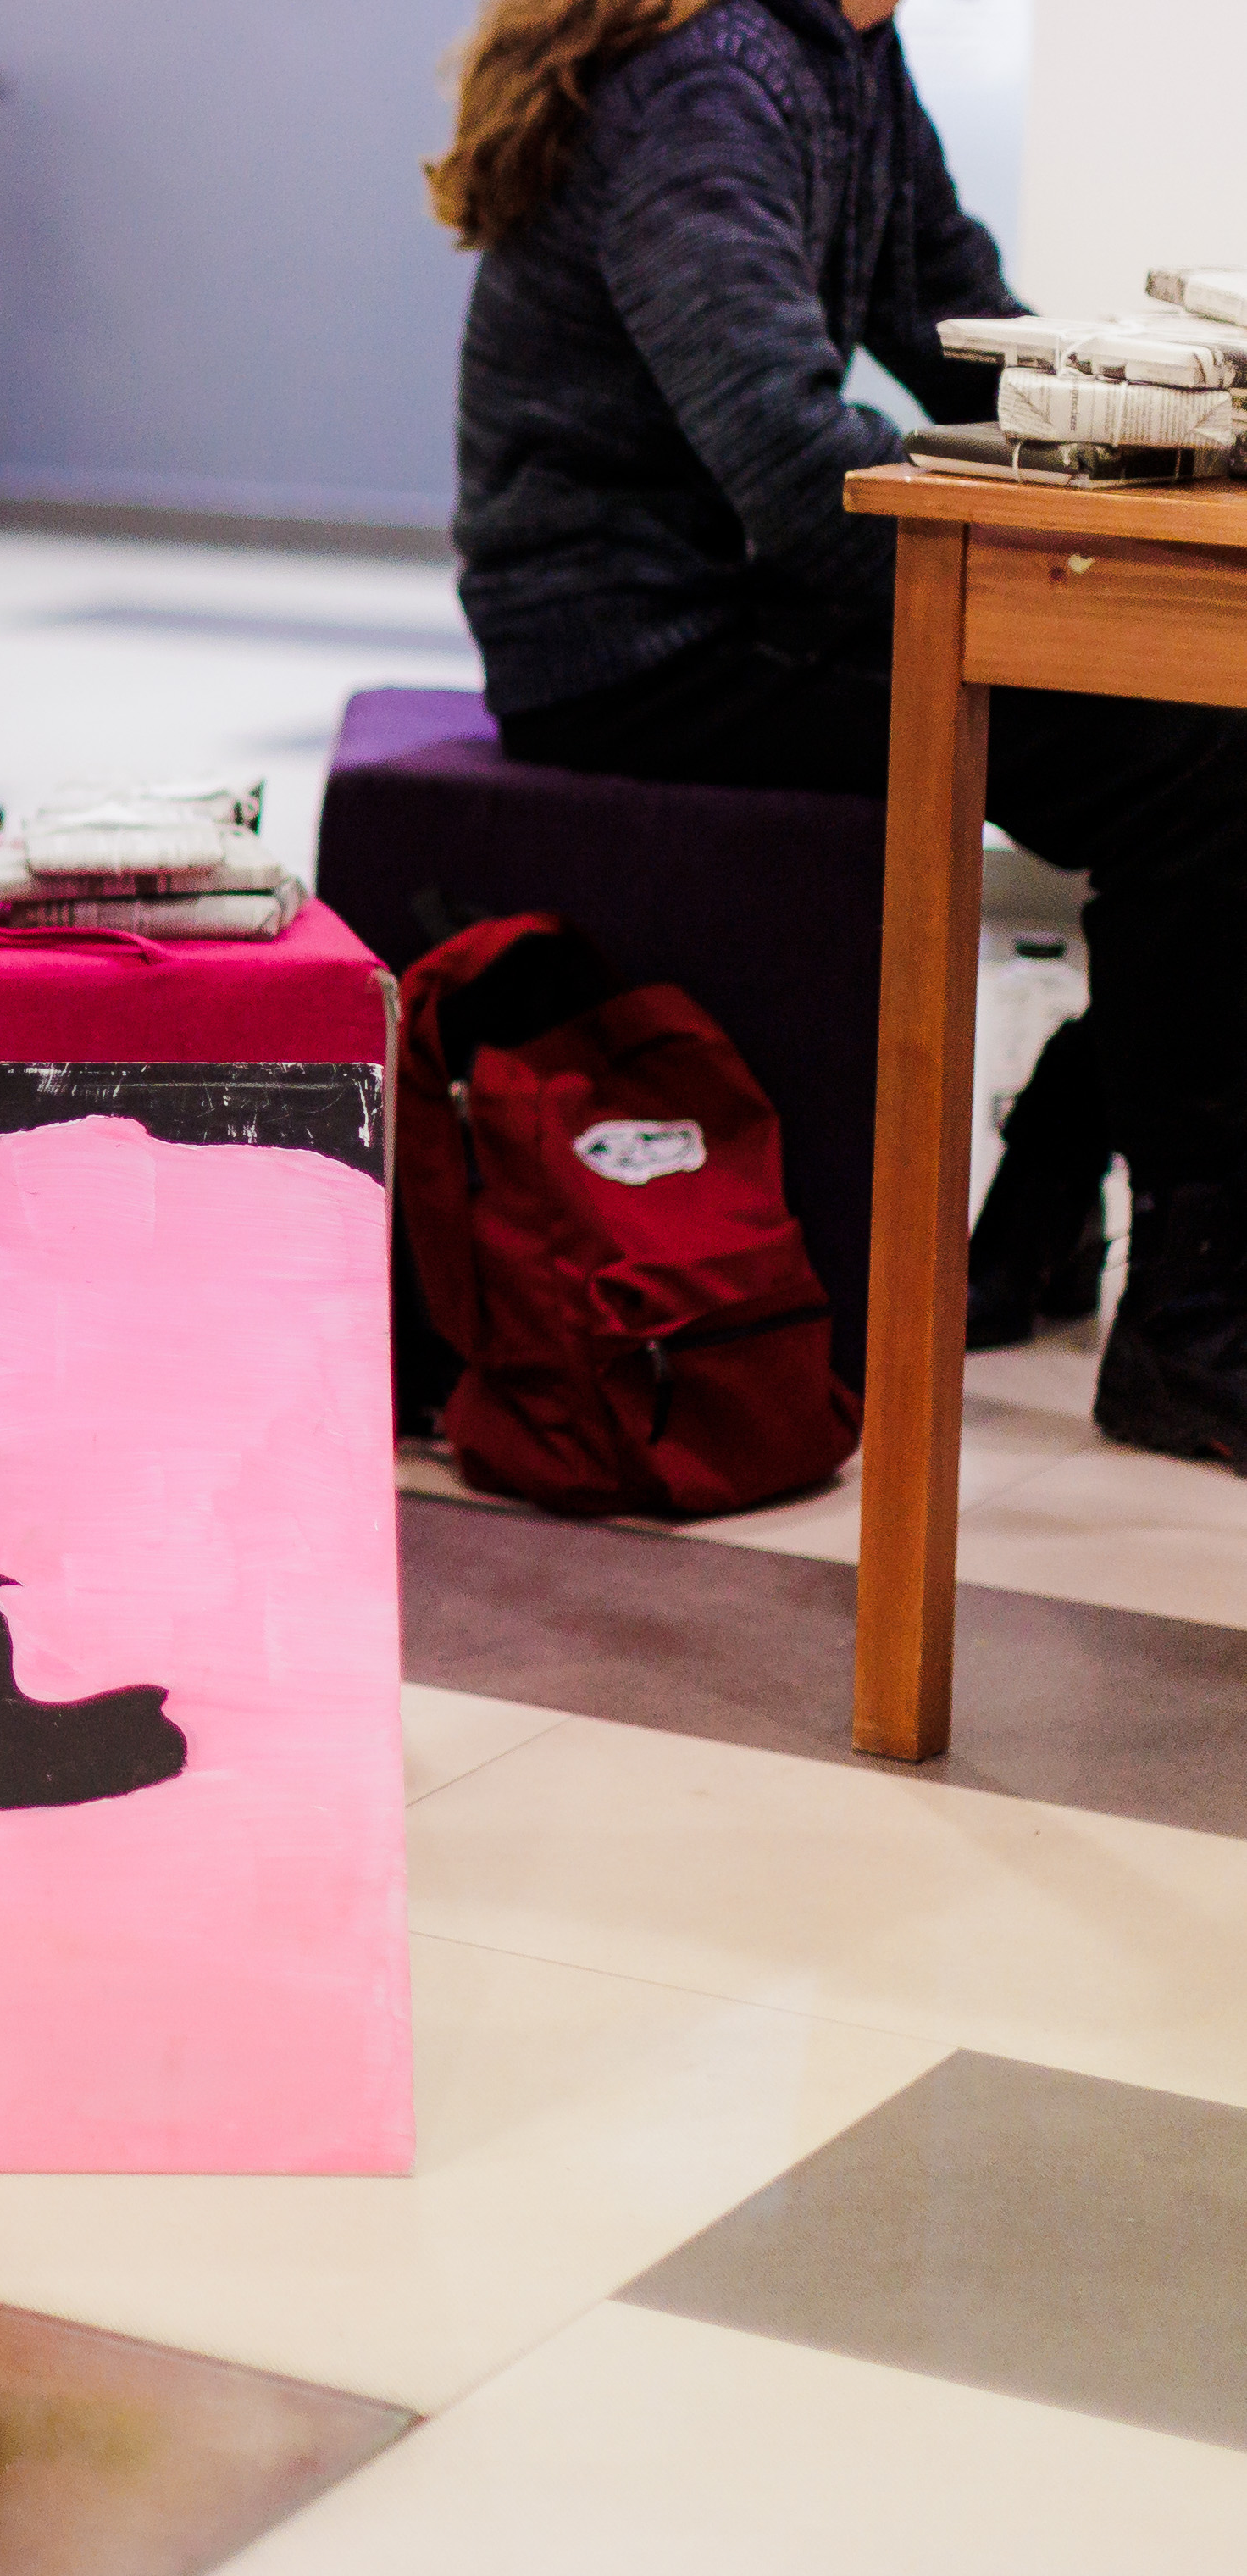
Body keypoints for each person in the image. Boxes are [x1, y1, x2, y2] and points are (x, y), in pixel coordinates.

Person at [442, 0, 1247, 1473]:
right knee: (1192, 771)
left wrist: (1163, 447)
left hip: (723, 602)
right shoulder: (713, 80)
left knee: (1204, 745)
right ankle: (1184, 1320)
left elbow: (971, 339)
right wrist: (1054, 564)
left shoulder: (845, 51)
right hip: (633, 641)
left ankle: (1042, 1222)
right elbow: (785, 461)